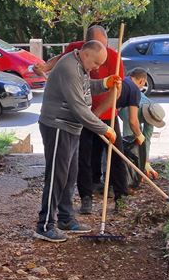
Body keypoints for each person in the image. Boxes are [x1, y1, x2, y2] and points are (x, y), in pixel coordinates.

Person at [35, 25, 130, 211]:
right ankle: (46, 225)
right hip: (60, 125)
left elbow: (88, 86)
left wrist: (104, 83)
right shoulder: (71, 67)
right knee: (60, 174)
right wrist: (102, 127)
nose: (97, 69)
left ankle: (66, 217)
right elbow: (78, 106)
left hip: (80, 121)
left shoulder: (82, 62)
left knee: (69, 175)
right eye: (96, 64)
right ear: (86, 50)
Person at [87, 67, 146, 211]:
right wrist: (139, 136)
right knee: (116, 155)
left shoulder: (124, 81)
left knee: (94, 151)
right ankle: (120, 194)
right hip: (105, 117)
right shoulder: (134, 90)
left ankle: (94, 184)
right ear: (142, 80)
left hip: (92, 115)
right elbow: (133, 120)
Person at [119, 94, 166, 180]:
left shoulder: (153, 110)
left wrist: (146, 162)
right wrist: (136, 170)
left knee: (139, 138)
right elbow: (128, 143)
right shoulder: (130, 113)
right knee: (131, 141)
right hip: (120, 108)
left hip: (138, 113)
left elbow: (146, 139)